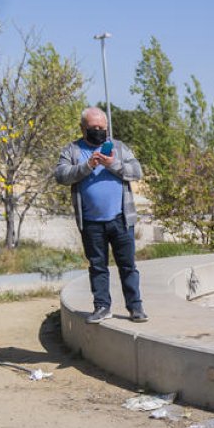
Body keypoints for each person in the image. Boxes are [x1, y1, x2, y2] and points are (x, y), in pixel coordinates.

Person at [54, 107, 148, 323]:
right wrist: (88, 166)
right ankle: (102, 307)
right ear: (82, 128)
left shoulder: (119, 148)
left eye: (101, 128)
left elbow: (137, 171)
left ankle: (136, 307)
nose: (97, 131)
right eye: (92, 128)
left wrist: (112, 164)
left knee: (128, 266)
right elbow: (61, 175)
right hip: (91, 222)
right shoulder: (72, 150)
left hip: (121, 219)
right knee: (97, 267)